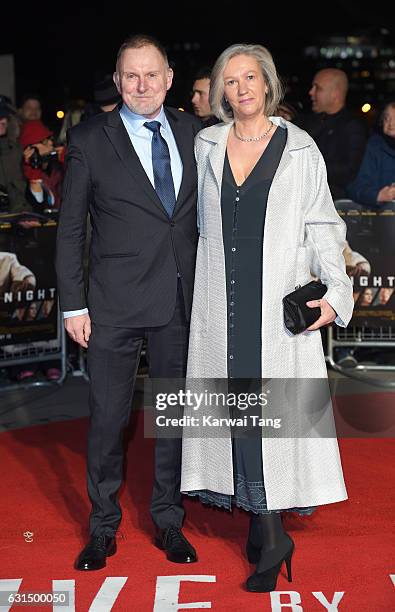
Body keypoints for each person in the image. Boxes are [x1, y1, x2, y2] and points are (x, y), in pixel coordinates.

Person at [181, 44, 354, 593]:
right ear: (219, 91)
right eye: (230, 81)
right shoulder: (206, 144)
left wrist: (338, 293)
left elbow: (324, 225)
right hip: (221, 307)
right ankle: (263, 524)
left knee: (270, 417)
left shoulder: (300, 148)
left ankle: (274, 532)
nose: (242, 89)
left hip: (275, 310)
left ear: (268, 82)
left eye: (250, 77)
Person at [56, 34, 201, 571]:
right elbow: (71, 230)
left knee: (174, 420)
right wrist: (74, 305)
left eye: (151, 74)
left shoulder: (197, 133)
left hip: (180, 304)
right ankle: (102, 527)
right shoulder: (92, 139)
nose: (142, 85)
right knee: (108, 420)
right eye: (130, 76)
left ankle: (169, 522)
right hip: (111, 306)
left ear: (169, 79)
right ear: (118, 82)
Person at [295, 68, 367, 200]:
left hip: (334, 205)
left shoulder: (352, 127)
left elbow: (349, 171)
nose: (311, 92)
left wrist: (307, 167)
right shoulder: (306, 122)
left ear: (335, 94)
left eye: (318, 88)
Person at [347, 101, 395, 206]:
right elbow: (354, 187)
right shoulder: (374, 147)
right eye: (387, 118)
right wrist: (379, 195)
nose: (390, 123)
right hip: (381, 219)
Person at [0, 99, 31, 214]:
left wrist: (22, 212)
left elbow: (17, 187)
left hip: (10, 220)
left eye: (5, 117)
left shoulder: (15, 150)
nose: (2, 120)